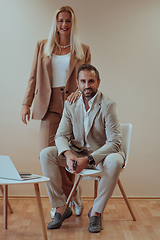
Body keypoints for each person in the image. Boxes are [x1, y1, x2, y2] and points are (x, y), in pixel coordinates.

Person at [21, 6, 91, 218]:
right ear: (56, 22)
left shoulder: (82, 49)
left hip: (73, 108)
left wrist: (80, 93)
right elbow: (33, 75)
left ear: (72, 23)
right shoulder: (42, 46)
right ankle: (64, 201)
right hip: (48, 105)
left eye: (68, 21)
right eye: (61, 20)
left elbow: (87, 78)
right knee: (47, 154)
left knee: (67, 154)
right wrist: (26, 102)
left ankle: (69, 198)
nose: (64, 24)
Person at [40, 63, 125, 233]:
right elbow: (60, 135)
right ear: (78, 84)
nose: (87, 85)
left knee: (116, 160)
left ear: (98, 82)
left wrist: (88, 159)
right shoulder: (71, 104)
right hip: (77, 153)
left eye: (91, 81)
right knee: (46, 154)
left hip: (101, 156)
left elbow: (114, 142)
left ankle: (96, 212)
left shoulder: (108, 105)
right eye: (83, 81)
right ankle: (61, 208)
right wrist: (69, 154)